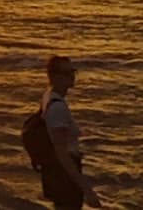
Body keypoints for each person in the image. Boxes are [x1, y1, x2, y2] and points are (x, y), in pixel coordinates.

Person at [34, 54, 99, 209]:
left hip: (58, 175)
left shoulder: (49, 95)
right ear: (54, 77)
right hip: (64, 177)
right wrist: (86, 189)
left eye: (72, 71)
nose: (71, 76)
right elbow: (62, 154)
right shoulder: (57, 107)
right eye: (66, 73)